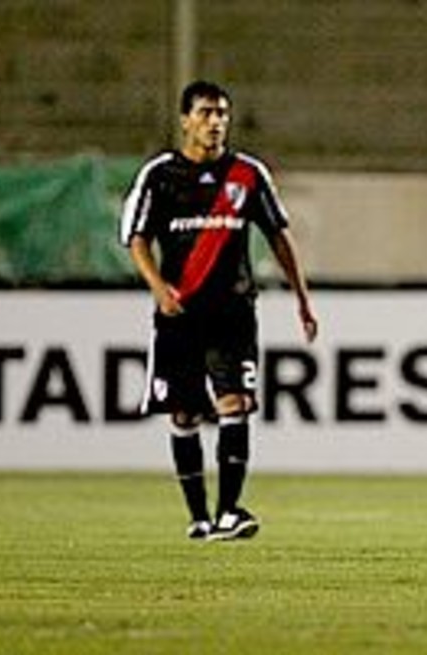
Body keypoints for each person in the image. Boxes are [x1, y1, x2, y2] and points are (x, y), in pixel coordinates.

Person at [120, 80, 317, 542]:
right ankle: (199, 518)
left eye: (222, 114)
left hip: (233, 310)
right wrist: (158, 289)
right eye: (206, 113)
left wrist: (302, 297)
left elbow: (278, 236)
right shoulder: (159, 175)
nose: (216, 123)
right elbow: (136, 237)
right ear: (185, 120)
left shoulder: (248, 175)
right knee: (184, 415)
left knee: (236, 404)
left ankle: (230, 512)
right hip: (180, 312)